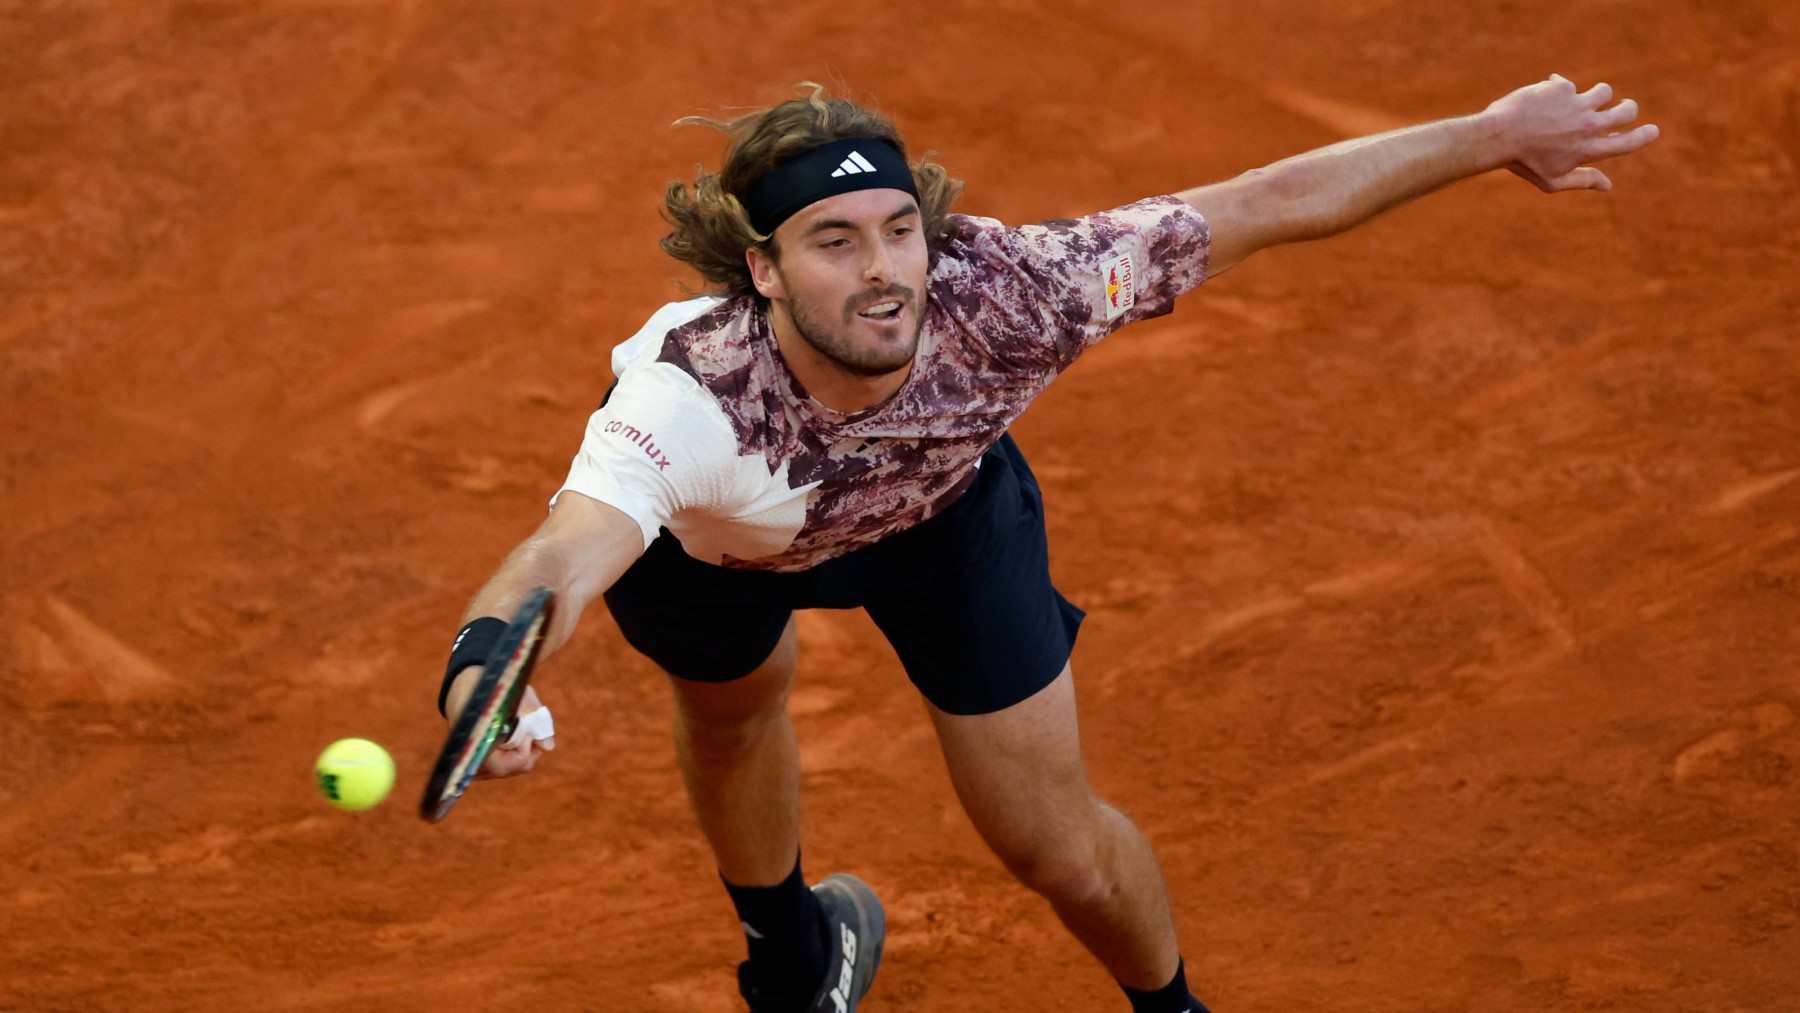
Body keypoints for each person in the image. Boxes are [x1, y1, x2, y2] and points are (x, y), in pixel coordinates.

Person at [437, 76, 1658, 1012]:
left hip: (944, 525)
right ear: (759, 267)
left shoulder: (1017, 292)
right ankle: (794, 954)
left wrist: (1496, 132)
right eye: (833, 240)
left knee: (1058, 848)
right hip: (720, 554)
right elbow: (564, 554)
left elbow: (1268, 203)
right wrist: (489, 667)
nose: (884, 273)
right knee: (732, 708)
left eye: (898, 229)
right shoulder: (691, 397)